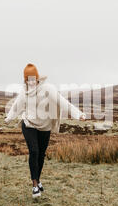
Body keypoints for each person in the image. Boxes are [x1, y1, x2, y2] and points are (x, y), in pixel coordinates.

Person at [5, 63, 86, 198]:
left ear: (37, 78)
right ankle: (34, 185)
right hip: (29, 124)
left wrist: (78, 114)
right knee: (34, 151)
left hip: (44, 126)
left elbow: (62, 101)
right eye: (27, 79)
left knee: (41, 154)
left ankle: (38, 179)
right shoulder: (24, 92)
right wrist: (8, 118)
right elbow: (16, 106)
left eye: (32, 78)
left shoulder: (48, 89)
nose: (30, 82)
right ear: (25, 80)